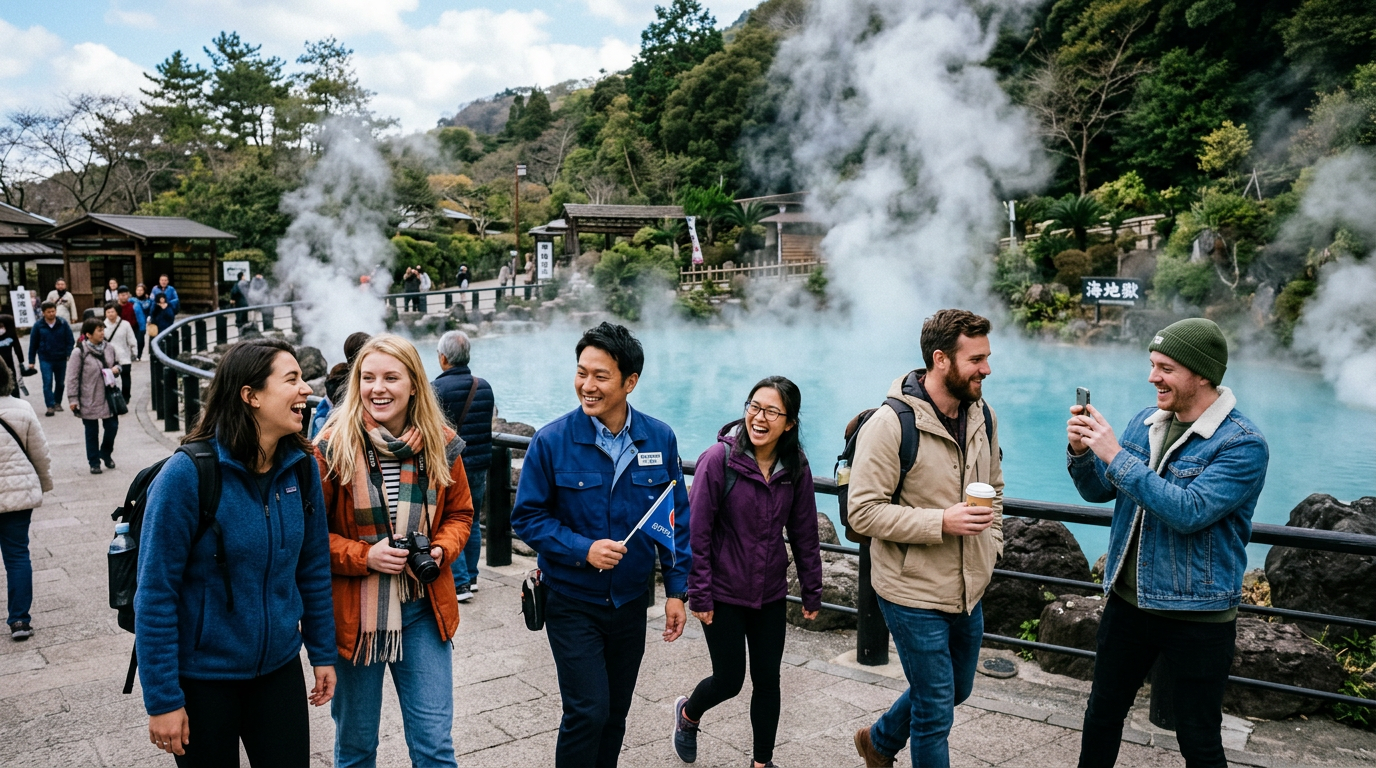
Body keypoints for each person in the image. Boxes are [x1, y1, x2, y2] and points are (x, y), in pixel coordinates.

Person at [1068, 318, 1269, 768]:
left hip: (1198, 615)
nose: (1152, 377)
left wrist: (1114, 455)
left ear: (1201, 374)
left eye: (1165, 368)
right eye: (1152, 364)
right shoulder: (1145, 422)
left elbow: (1188, 511)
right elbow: (1100, 491)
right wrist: (1083, 453)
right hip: (1128, 602)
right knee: (1101, 716)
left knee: (1198, 737)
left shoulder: (1243, 444)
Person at [136, 338, 337, 765]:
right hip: (203, 678)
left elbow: (314, 567)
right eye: (292, 379)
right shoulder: (187, 475)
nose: (306, 389)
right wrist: (162, 700)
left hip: (279, 669)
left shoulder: (301, 467)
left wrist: (322, 653)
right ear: (251, 396)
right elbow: (155, 593)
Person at [510, 322, 691, 768]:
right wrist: (582, 548)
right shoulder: (551, 441)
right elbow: (527, 518)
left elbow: (675, 518)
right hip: (571, 599)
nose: (586, 386)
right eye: (581, 373)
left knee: (615, 714)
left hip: (630, 602)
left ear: (630, 382)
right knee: (587, 710)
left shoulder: (659, 438)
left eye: (600, 376)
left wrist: (675, 591)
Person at [848, 309, 1004, 768]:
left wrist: (992, 543)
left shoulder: (984, 415)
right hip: (910, 589)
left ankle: (878, 741)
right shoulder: (891, 422)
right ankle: (882, 745)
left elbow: (995, 487)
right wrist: (941, 523)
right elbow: (863, 511)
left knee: (957, 687)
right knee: (935, 709)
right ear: (940, 359)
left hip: (968, 587)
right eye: (976, 359)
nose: (987, 369)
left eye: (987, 357)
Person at [315, 334, 473, 768]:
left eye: (390, 377)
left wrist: (440, 550)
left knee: (435, 746)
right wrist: (365, 557)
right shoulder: (331, 447)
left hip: (424, 606)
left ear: (414, 384)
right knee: (357, 747)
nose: (377, 388)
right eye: (367, 378)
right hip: (355, 616)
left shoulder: (442, 443)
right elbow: (309, 540)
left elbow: (461, 515)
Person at [674, 376, 824, 768]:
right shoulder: (717, 460)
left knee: (768, 682)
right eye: (754, 407)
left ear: (789, 422)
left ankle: (762, 763)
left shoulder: (795, 465)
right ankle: (689, 714)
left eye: (772, 411)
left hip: (770, 591)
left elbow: (805, 531)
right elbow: (697, 534)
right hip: (723, 592)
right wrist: (700, 594)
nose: (760, 417)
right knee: (729, 680)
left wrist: (812, 589)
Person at [431, 330, 495, 601]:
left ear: (443, 358)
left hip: (450, 464)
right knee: (471, 518)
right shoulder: (484, 386)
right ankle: (472, 574)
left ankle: (459, 583)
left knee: (450, 519)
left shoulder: (436, 389)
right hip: (479, 464)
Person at [0, 360, 53, 642]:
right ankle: (20, 620)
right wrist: (43, 483)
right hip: (18, 496)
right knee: (18, 555)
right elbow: (40, 453)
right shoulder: (22, 408)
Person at [66, 318, 121, 474]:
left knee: (112, 427)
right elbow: (72, 377)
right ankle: (94, 462)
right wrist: (73, 399)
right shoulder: (79, 352)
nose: (102, 333)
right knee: (91, 432)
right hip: (88, 398)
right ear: (88, 334)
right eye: (99, 330)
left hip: (108, 396)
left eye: (103, 330)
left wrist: (117, 368)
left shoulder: (109, 348)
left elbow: (118, 363)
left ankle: (105, 452)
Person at [27, 302, 74, 417]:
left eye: (53, 311)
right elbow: (33, 344)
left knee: (60, 383)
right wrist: (31, 361)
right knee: (47, 383)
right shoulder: (38, 326)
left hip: (60, 358)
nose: (51, 313)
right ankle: (50, 406)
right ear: (43, 313)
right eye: (48, 312)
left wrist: (68, 353)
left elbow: (70, 340)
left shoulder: (62, 323)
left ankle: (57, 402)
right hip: (45, 358)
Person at [104, 303, 137, 401]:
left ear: (117, 312)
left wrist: (134, 352)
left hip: (124, 355)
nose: (110, 314)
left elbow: (131, 339)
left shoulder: (125, 324)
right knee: (110, 378)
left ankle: (126, 397)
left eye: (112, 312)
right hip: (109, 356)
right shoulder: (102, 325)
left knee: (126, 377)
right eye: (108, 312)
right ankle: (113, 397)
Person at [0, 314, 24, 397]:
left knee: (13, 383)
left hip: (10, 364)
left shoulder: (10, 335)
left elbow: (17, 348)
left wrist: (21, 361)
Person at [131, 284, 152, 361]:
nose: (139, 292)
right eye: (138, 290)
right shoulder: (132, 300)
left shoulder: (148, 301)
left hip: (142, 323)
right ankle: (133, 354)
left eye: (141, 290)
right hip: (133, 322)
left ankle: (139, 355)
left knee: (140, 340)